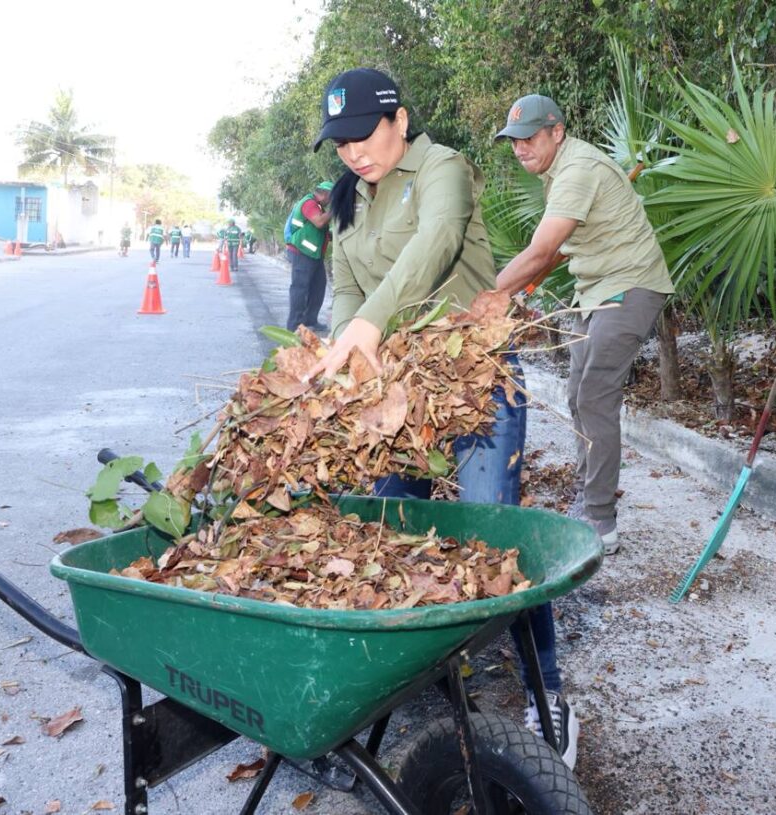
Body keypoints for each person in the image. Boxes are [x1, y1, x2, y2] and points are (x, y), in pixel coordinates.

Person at [307, 68, 578, 768]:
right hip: (400, 391)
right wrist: (345, 357)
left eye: (363, 135)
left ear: (399, 120)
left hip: (476, 379)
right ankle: (413, 677)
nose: (353, 152)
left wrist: (370, 323)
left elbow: (435, 243)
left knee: (495, 535)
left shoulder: (443, 169)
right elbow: (346, 290)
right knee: (389, 527)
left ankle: (547, 690)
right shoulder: (348, 199)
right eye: (340, 143)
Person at [493, 94, 674, 556]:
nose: (520, 148)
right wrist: (518, 288)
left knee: (594, 394)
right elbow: (555, 250)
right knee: (576, 394)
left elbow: (540, 251)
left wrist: (491, 295)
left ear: (557, 132)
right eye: (514, 141)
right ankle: (586, 495)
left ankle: (600, 521)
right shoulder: (558, 173)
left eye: (529, 138)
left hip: (630, 286)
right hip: (593, 290)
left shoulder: (577, 170)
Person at [284, 182, 332, 332]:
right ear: (325, 194)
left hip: (314, 254)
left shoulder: (319, 206)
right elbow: (319, 222)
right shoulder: (309, 203)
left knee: (318, 287)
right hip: (302, 252)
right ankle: (294, 325)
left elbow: (316, 229)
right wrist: (336, 209)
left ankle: (310, 320)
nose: (331, 201)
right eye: (331, 197)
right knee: (300, 288)